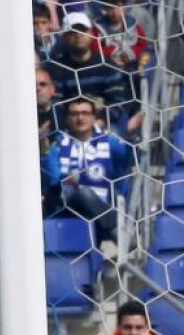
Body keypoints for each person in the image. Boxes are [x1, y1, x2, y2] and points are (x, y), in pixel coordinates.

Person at [42, 97, 133, 245]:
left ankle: (110, 225)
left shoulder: (109, 142)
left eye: (85, 112)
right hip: (67, 206)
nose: (80, 118)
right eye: (74, 114)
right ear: (66, 118)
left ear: (94, 116)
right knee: (70, 192)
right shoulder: (58, 145)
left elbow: (127, 160)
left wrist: (128, 137)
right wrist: (45, 151)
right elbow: (53, 180)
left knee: (84, 192)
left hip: (103, 204)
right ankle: (111, 229)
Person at [46, 11, 142, 135]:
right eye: (73, 32)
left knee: (115, 140)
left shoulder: (106, 66)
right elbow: (55, 103)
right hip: (69, 126)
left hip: (104, 125)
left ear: (91, 33)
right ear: (64, 36)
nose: (78, 35)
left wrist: (99, 122)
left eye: (83, 31)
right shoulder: (57, 68)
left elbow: (118, 101)